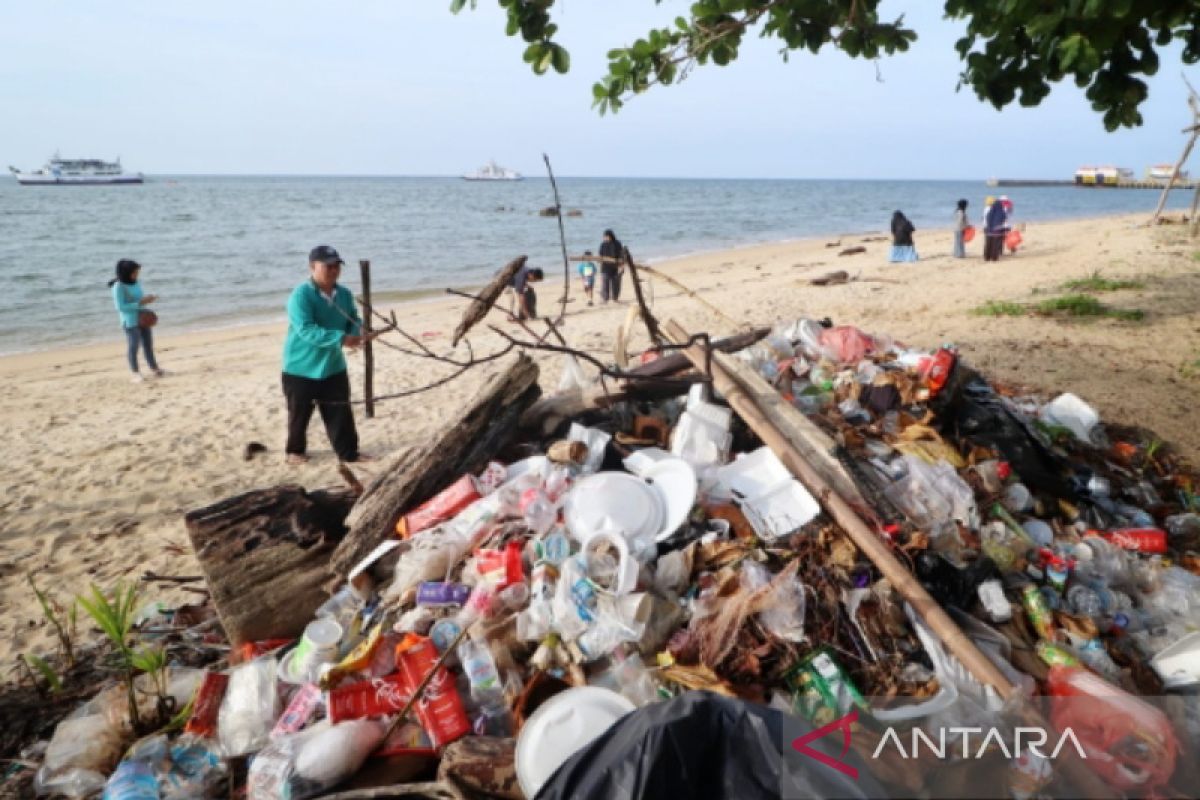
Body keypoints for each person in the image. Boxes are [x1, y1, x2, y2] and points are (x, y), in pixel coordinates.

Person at [281, 245, 369, 465]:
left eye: (336, 265)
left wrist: (358, 333)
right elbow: (306, 330)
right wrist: (341, 339)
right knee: (299, 414)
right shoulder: (301, 295)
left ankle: (349, 453)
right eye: (327, 265)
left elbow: (354, 319)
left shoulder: (344, 294)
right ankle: (295, 451)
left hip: (333, 365)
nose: (333, 270)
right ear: (312, 267)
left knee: (340, 413)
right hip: (301, 366)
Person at [108, 259, 164, 383]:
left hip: (143, 318)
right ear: (126, 273)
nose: (137, 274)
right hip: (130, 321)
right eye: (134, 272)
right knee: (133, 347)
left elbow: (139, 299)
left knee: (148, 345)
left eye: (137, 272)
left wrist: (148, 299)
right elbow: (120, 307)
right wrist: (139, 303)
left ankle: (155, 369)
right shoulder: (118, 286)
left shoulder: (135, 282)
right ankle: (135, 373)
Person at [598, 229, 624, 302]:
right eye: (604, 237)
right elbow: (600, 255)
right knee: (605, 284)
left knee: (616, 284)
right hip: (605, 267)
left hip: (616, 267)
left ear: (611, 236)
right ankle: (605, 299)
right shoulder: (603, 244)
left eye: (606, 237)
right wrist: (600, 262)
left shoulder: (617, 244)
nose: (605, 238)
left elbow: (621, 255)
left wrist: (621, 266)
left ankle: (615, 298)